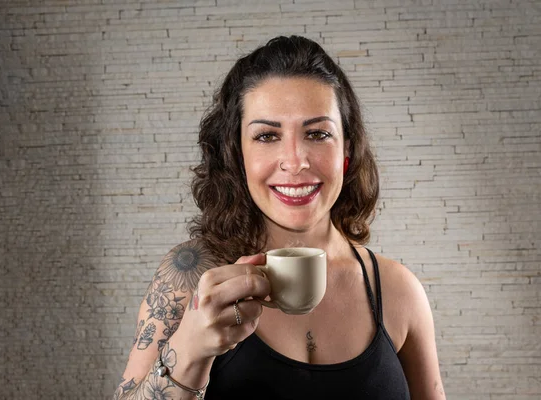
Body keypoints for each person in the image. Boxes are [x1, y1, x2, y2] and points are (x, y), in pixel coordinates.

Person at [113, 35, 446, 400]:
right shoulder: (188, 277)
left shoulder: (398, 291)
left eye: (318, 133)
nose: (295, 160)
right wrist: (190, 350)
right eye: (267, 136)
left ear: (347, 148)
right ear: (237, 153)